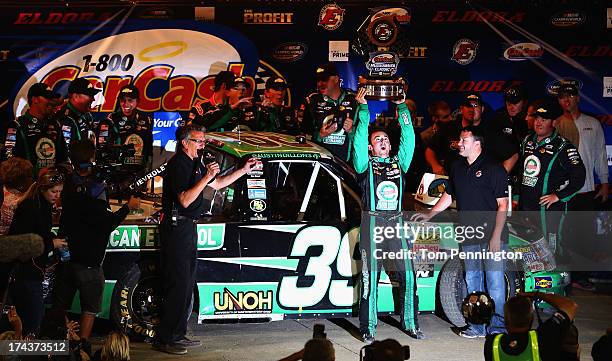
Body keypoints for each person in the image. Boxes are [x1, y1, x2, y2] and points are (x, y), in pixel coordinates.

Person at [154, 124, 259, 355]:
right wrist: (207, 176)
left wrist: (243, 170)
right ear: (185, 143)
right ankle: (165, 338)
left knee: (188, 284)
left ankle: (178, 333)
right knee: (178, 285)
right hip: (176, 227)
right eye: (199, 141)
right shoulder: (179, 164)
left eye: (204, 141)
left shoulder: (196, 162)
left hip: (189, 228)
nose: (203, 145)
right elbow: (185, 200)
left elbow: (218, 184)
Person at [416, 125, 509, 337]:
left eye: (464, 141)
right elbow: (449, 195)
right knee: (472, 281)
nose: (459, 144)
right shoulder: (457, 167)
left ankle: (498, 328)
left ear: (477, 144)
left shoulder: (494, 169)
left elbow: (503, 205)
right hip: (469, 235)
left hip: (492, 236)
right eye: (459, 140)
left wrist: (495, 237)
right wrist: (430, 214)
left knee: (495, 285)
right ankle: (476, 326)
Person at [353, 87, 422, 342]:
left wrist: (402, 108)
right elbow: (359, 139)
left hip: (396, 223)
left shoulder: (399, 163)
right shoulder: (364, 164)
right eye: (377, 140)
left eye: (385, 139)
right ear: (371, 148)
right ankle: (368, 328)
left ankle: (411, 323)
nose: (382, 141)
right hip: (372, 221)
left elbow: (410, 140)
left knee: (408, 273)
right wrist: (363, 110)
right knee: (371, 277)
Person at [53, 140, 139, 346]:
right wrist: (128, 207)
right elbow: (107, 223)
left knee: (59, 306)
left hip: (67, 256)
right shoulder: (95, 188)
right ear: (91, 160)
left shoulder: (68, 184)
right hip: (89, 262)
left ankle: (61, 342)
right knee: (90, 309)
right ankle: (81, 346)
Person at [518, 99, 586, 255]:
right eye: (536, 119)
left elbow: (579, 177)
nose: (538, 123)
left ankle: (560, 278)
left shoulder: (563, 146)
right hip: (526, 206)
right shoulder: (527, 141)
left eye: (544, 119)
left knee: (551, 247)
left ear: (554, 122)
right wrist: (516, 195)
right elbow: (521, 171)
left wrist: (558, 196)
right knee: (526, 246)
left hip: (549, 209)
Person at [8, 166, 66, 336]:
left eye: (60, 192)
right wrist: (51, 243)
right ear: (43, 188)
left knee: (32, 321)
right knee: (33, 323)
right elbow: (25, 241)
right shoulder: (31, 208)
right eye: (54, 191)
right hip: (25, 273)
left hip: (31, 272)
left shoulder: (42, 204)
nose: (57, 196)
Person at [484, 292, 579, 361]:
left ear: (505, 321)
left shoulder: (492, 344)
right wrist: (537, 295)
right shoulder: (544, 337)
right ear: (531, 319)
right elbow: (571, 305)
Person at [300, 63, 358, 163]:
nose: (320, 84)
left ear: (336, 79)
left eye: (324, 80)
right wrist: (320, 135)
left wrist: (351, 131)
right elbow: (304, 134)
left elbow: (363, 135)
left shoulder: (354, 100)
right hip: (320, 164)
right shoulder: (312, 101)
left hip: (347, 164)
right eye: (318, 80)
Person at [2, 83, 64, 175]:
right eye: (47, 98)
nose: (51, 102)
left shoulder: (55, 125)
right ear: (34, 99)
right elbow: (8, 160)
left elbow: (63, 157)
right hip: (27, 186)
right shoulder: (17, 126)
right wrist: (34, 173)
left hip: (52, 186)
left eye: (52, 98)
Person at [95, 85, 153, 173]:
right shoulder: (110, 120)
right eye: (122, 100)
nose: (126, 104)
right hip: (117, 173)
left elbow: (150, 149)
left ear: (137, 101)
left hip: (140, 172)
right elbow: (102, 148)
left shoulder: (146, 120)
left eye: (130, 100)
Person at [426, 92, 485, 175]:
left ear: (482, 109)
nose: (472, 109)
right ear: (461, 109)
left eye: (476, 106)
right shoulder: (448, 128)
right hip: (451, 180)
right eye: (468, 106)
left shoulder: (489, 130)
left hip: (479, 181)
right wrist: (435, 166)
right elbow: (430, 150)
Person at [186, 71, 253, 131]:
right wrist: (231, 109)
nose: (241, 92)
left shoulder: (241, 108)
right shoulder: (200, 108)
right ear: (224, 86)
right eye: (235, 87)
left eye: (243, 89)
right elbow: (190, 130)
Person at [488, 84, 530, 174]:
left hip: (525, 171)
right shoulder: (496, 120)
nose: (511, 107)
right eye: (508, 102)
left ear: (524, 102)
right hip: (500, 171)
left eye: (515, 103)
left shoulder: (529, 120)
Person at [55, 77, 101, 156]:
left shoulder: (87, 116)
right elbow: (66, 153)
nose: (93, 99)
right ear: (75, 96)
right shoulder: (65, 118)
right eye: (90, 95)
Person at [0, 157, 33, 235]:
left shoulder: (4, 189)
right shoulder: (19, 200)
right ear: (22, 179)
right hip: (10, 241)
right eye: (30, 176)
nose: (31, 178)